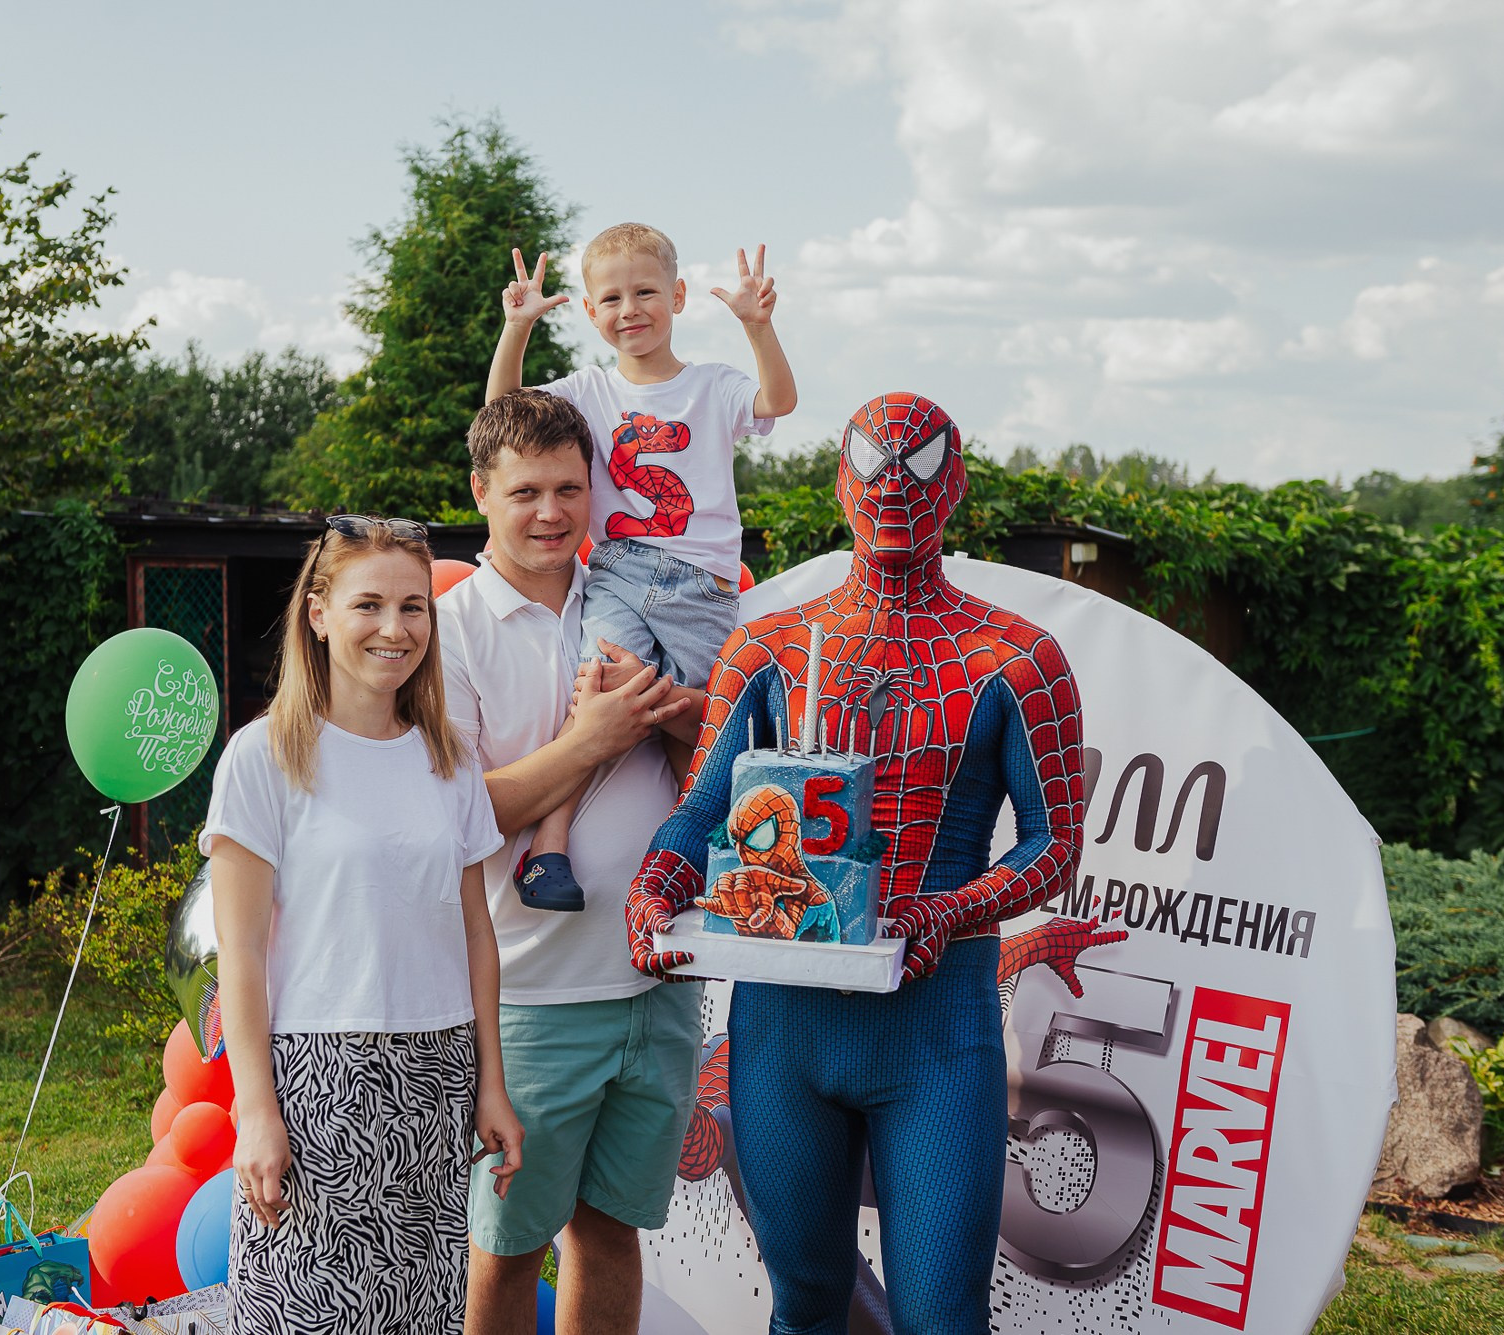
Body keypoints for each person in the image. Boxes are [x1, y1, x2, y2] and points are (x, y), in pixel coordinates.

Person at [625, 393, 1087, 1334]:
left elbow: (1056, 846)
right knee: (804, 1303)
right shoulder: (769, 644)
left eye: (918, 468)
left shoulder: (1019, 659)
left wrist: (948, 911)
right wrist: (654, 887)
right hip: (783, 1029)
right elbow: (704, 807)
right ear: (841, 479)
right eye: (872, 463)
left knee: (941, 1316)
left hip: (934, 1030)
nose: (892, 487)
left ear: (954, 482)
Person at [203, 515, 524, 1335]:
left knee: (418, 1316)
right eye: (369, 604)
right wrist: (257, 1111)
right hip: (316, 1085)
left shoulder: (449, 758)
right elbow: (238, 956)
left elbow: (476, 932)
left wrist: (490, 1080)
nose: (395, 628)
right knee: (302, 1314)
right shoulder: (263, 756)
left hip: (434, 1078)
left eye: (414, 606)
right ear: (318, 613)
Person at [437, 389, 703, 1335]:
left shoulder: (635, 598)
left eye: (568, 487)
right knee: (507, 1247)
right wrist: (594, 738)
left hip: (657, 979)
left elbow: (714, 760)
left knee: (610, 1233)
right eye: (524, 493)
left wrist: (682, 715)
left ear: (594, 488)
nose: (550, 512)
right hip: (530, 1002)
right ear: (480, 492)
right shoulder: (451, 631)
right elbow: (458, 816)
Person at [484, 222, 798, 912]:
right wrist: (518, 329)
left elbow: (778, 400)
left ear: (679, 296)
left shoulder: (713, 386)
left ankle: (717, 862)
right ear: (592, 314)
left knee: (708, 725)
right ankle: (550, 848)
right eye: (613, 298)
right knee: (594, 692)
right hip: (622, 570)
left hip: (704, 588)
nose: (631, 309)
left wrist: (758, 326)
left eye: (646, 292)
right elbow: (503, 413)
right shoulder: (588, 391)